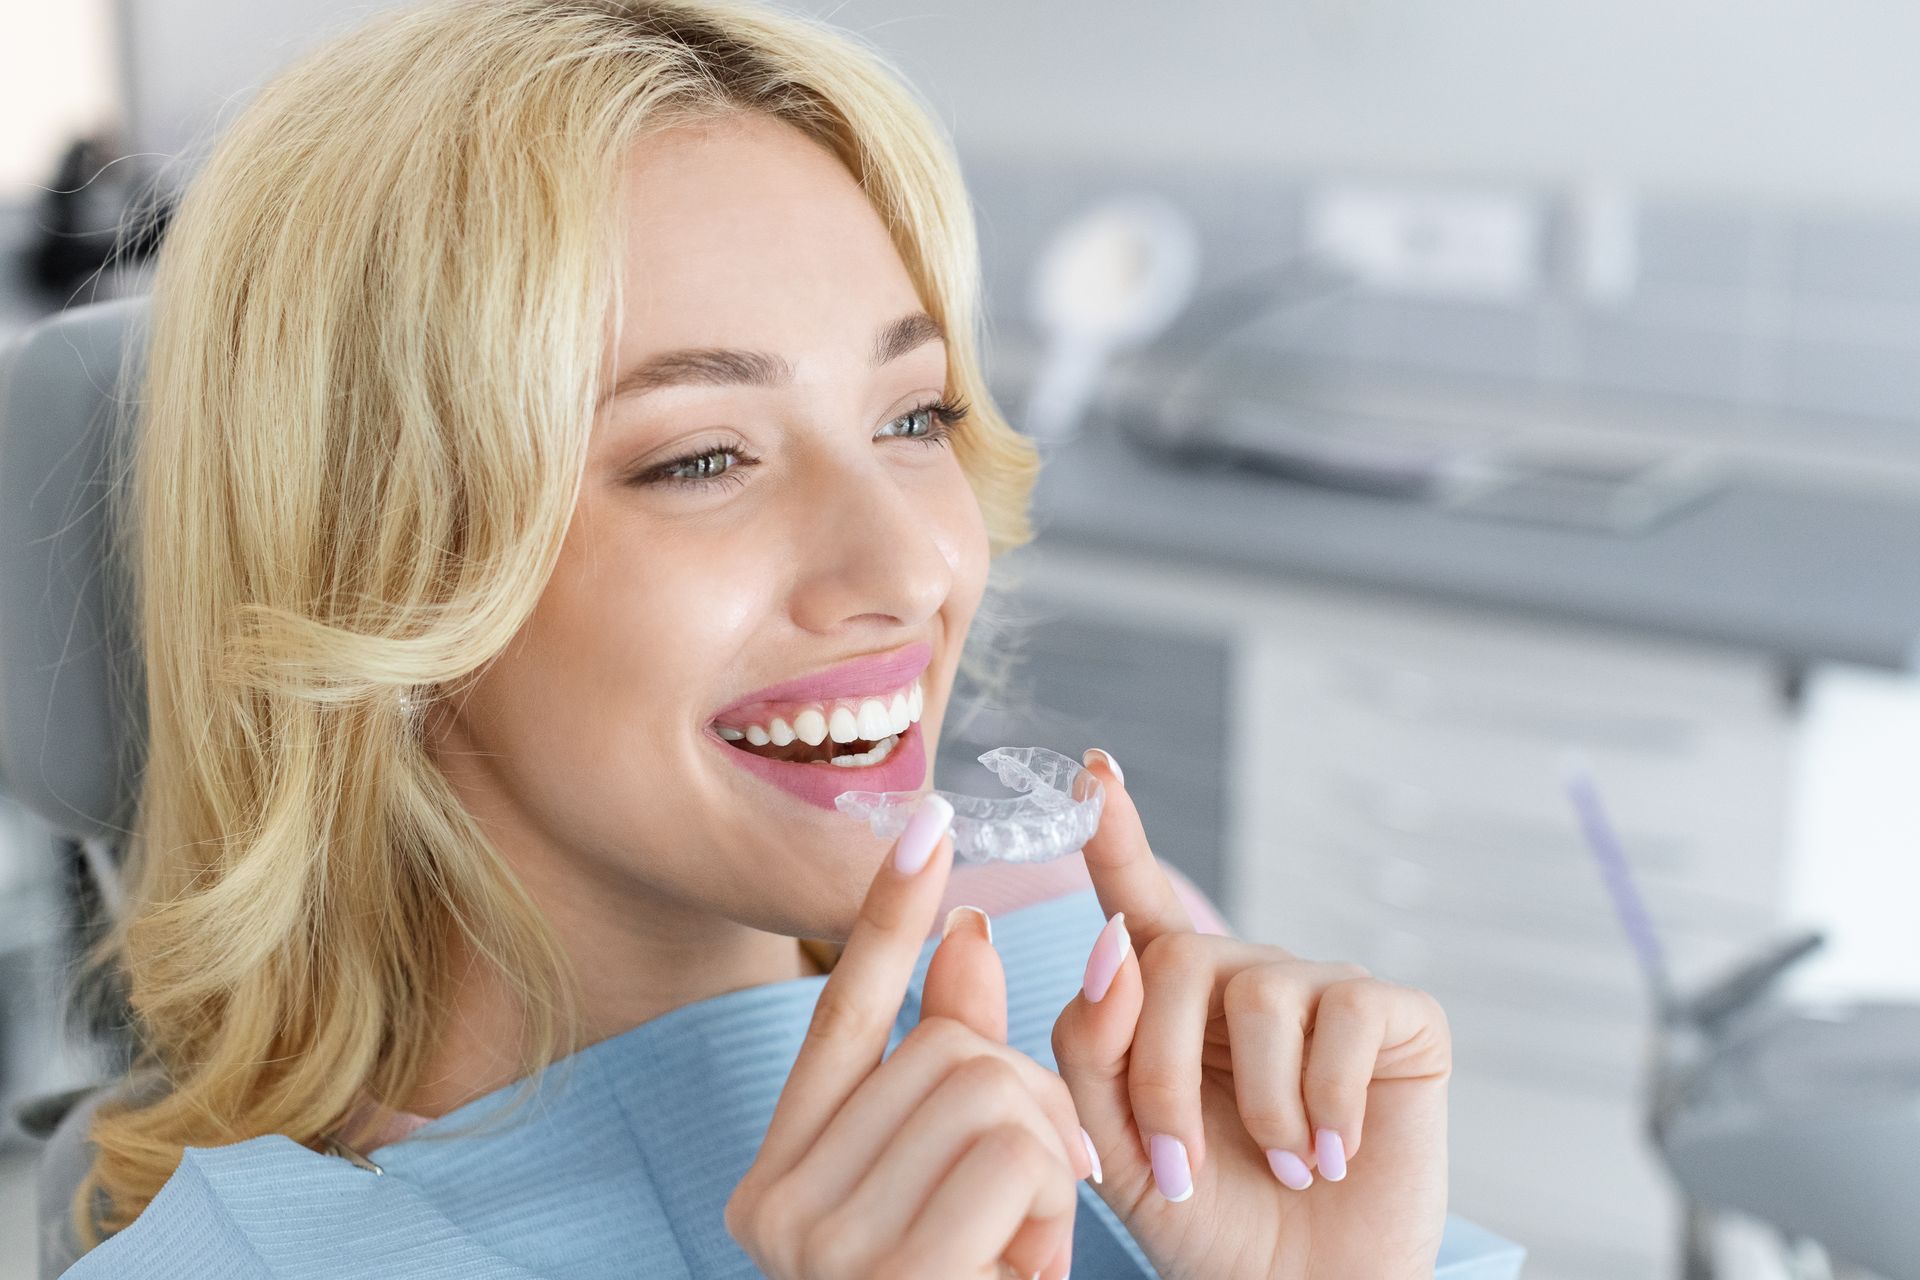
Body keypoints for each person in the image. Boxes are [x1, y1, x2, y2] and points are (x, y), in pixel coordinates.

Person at [53, 1, 1472, 1275]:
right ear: (381, 568)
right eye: (702, 458)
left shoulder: (1120, 1009)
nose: (910, 566)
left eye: (913, 417)